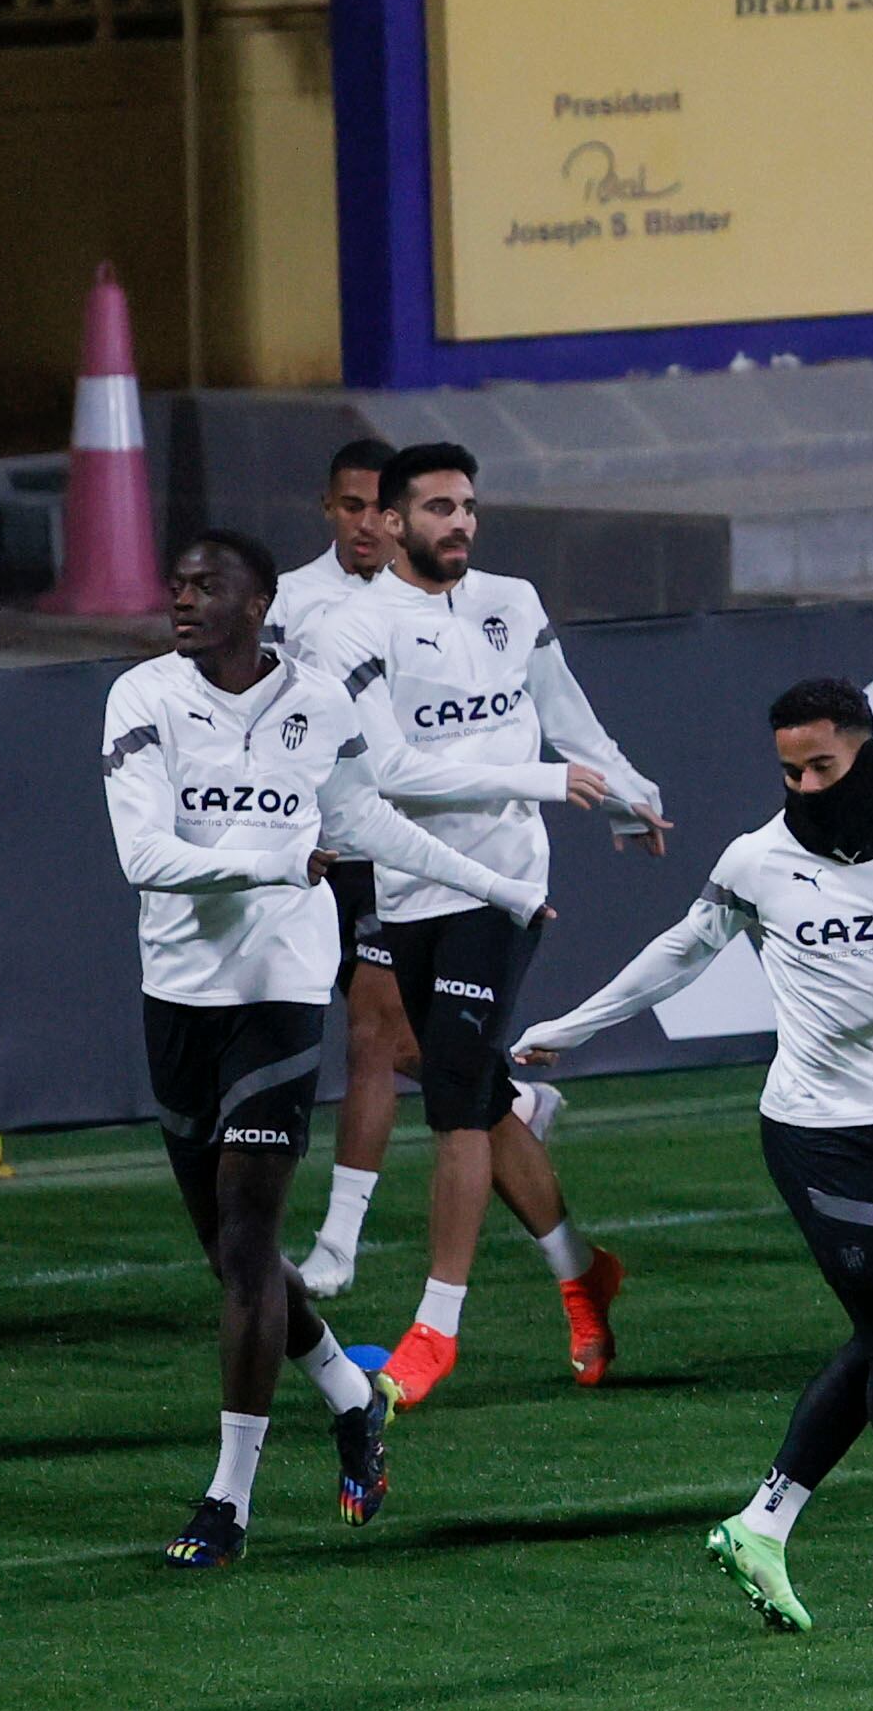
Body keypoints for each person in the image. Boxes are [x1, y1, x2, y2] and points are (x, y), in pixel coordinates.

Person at [515, 679, 873, 1633]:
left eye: (822, 767)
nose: (804, 786)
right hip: (814, 1131)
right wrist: (575, 1027)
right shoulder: (758, 858)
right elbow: (679, 952)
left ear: (866, 750)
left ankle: (764, 1522)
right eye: (789, 771)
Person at [106, 530, 548, 1567]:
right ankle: (351, 1396)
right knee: (226, 1251)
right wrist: (281, 854)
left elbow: (367, 822)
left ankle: (229, 1496)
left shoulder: (318, 704)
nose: (181, 596)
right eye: (175, 582)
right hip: (178, 993)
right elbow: (143, 857)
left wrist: (500, 887)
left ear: (257, 603)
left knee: (251, 1245)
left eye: (205, 585)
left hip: (283, 992)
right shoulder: (142, 699)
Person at [317, 443, 672, 1409]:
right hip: (413, 885)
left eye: (469, 505)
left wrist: (625, 798)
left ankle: (437, 1326)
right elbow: (391, 771)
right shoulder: (351, 632)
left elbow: (573, 721)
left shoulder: (513, 600)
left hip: (508, 887)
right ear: (388, 523)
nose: (460, 523)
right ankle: (579, 1268)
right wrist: (545, 781)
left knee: (457, 1099)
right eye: (437, 508)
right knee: (473, 1089)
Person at [275, 441, 571, 1300]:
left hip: (420, 856)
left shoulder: (483, 605)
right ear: (332, 511)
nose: (369, 523)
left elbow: (435, 750)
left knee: (374, 1035)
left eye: (383, 508)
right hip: (334, 849)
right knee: (424, 1054)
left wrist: (590, 781)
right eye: (353, 507)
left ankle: (343, 1245)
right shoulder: (302, 605)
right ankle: (515, 1119)